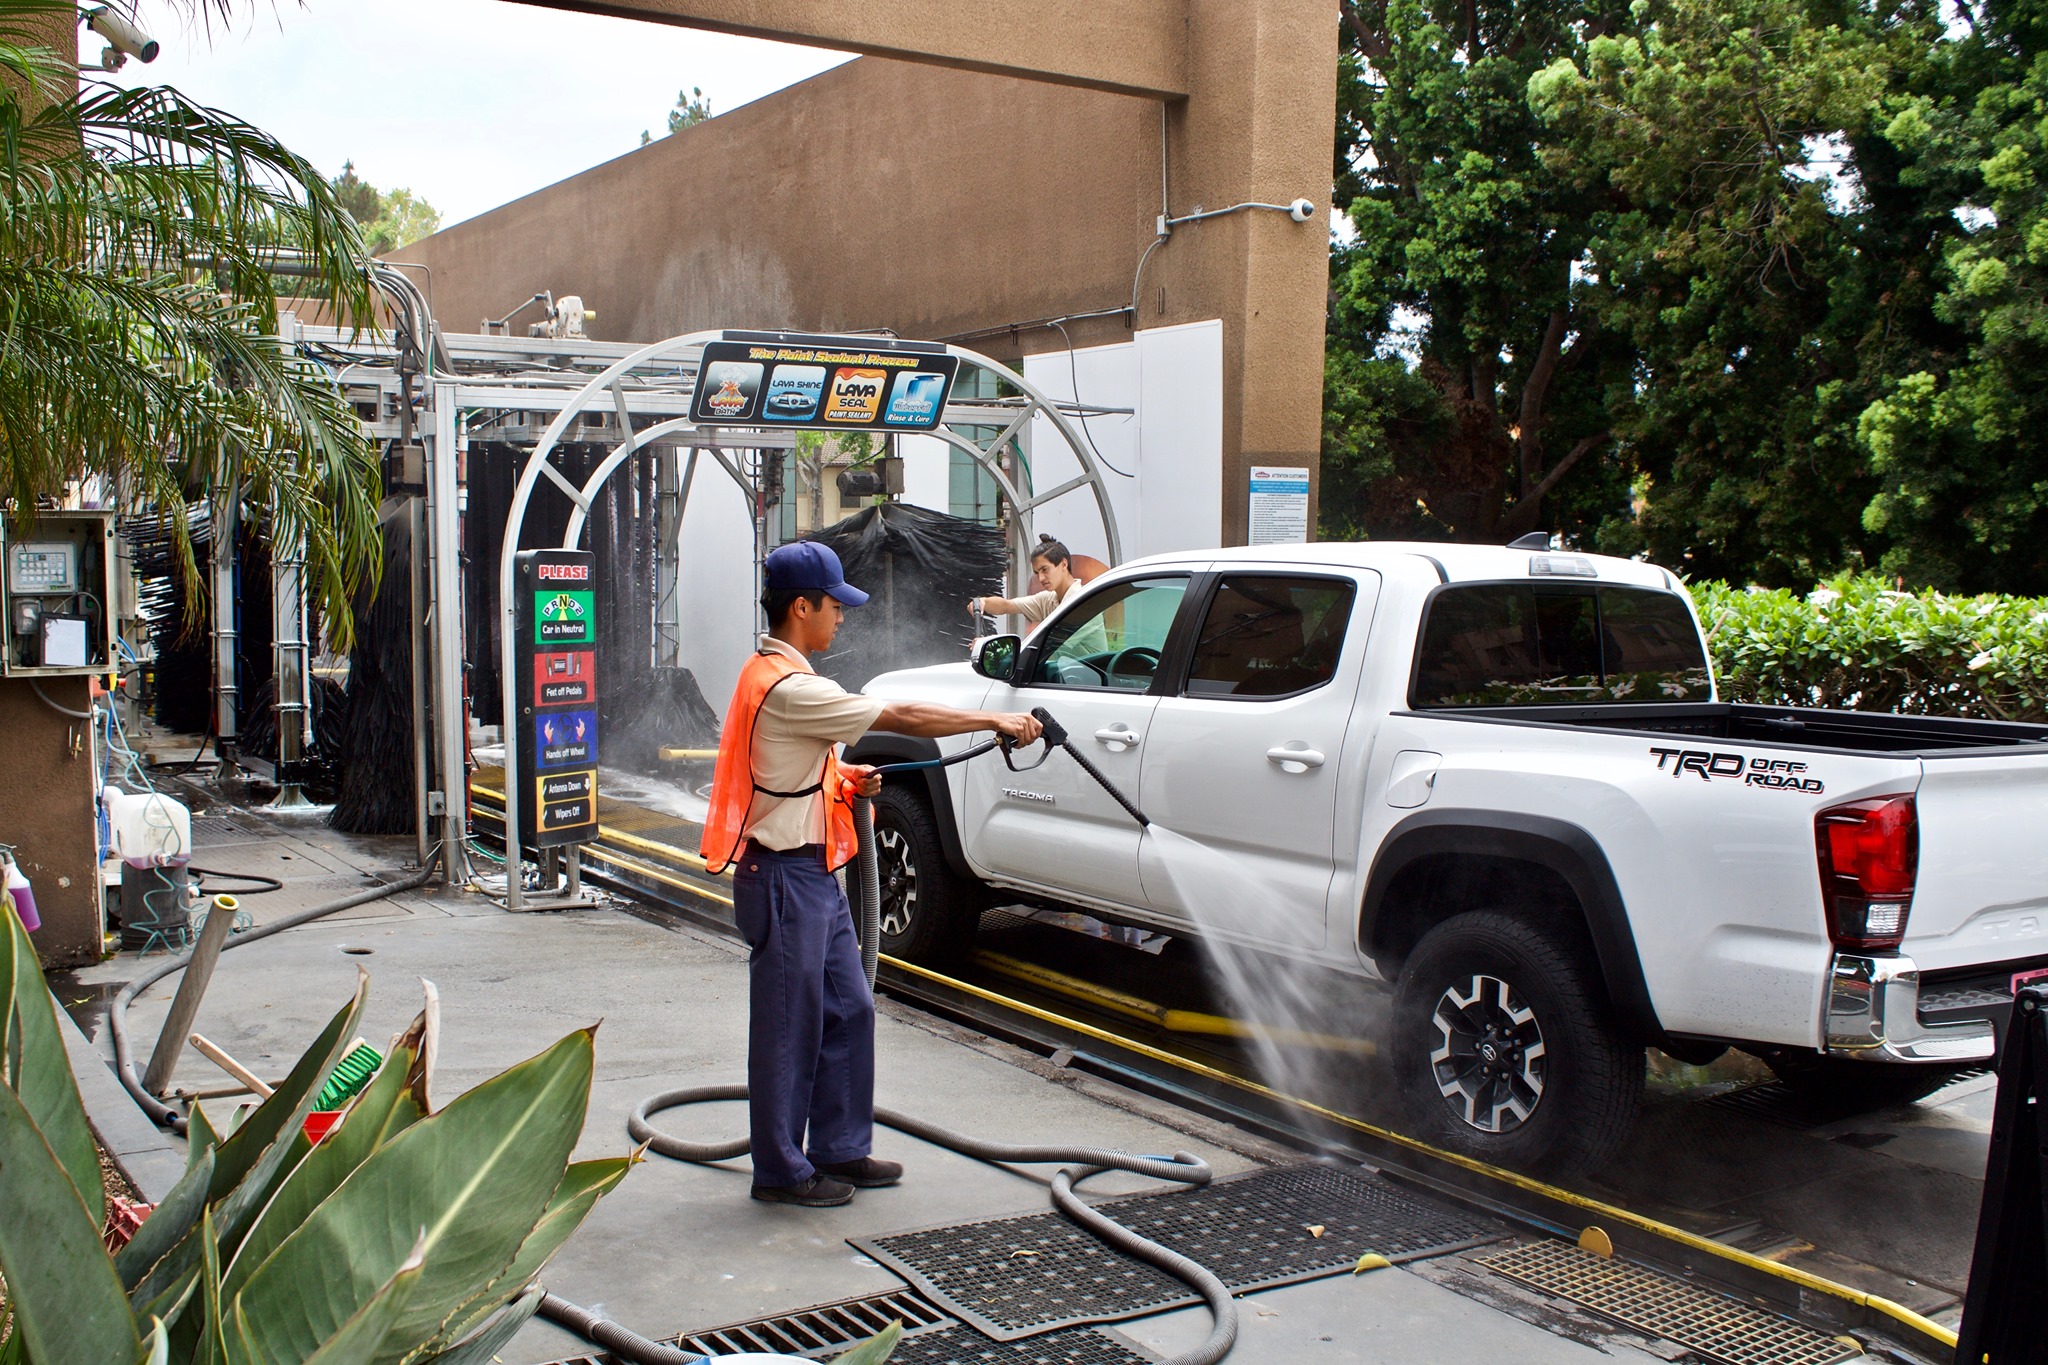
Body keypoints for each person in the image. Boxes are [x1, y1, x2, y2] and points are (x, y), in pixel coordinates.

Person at [701, 540, 1043, 1208]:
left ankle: (838, 1146)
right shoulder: (791, 686)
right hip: (782, 878)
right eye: (834, 605)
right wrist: (995, 717)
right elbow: (902, 715)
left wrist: (845, 773)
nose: (842, 617)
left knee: (848, 1006)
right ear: (802, 607)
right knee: (787, 1026)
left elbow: (786, 766)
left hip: (811, 875)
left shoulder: (773, 677)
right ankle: (780, 1170)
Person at [969, 534, 1081, 630]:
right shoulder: (1048, 600)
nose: (1041, 578)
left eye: (1045, 570)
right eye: (1037, 573)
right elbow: (1006, 605)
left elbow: (1056, 646)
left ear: (1064, 564)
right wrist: (982, 602)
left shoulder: (1081, 601)